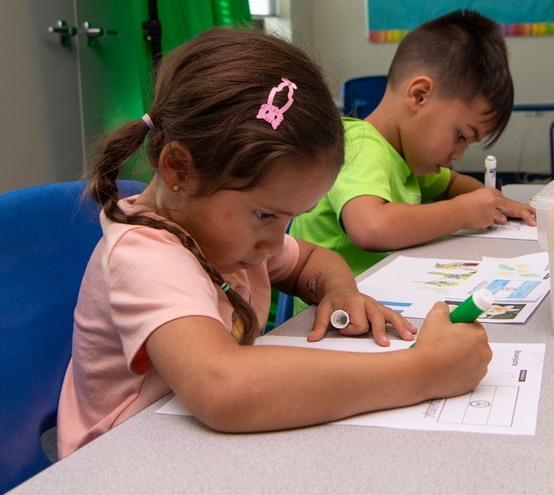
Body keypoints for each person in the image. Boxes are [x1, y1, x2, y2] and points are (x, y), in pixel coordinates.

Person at [57, 26, 492, 457]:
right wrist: (422, 371)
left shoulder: (233, 235)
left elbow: (311, 262)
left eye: (289, 219)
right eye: (267, 215)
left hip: (192, 450)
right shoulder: (146, 253)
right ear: (179, 171)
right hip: (118, 469)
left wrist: (340, 292)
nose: (275, 241)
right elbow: (222, 387)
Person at [291, 9, 537, 277]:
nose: (460, 155)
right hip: (332, 310)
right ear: (419, 96)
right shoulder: (358, 144)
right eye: (461, 136)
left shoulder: (406, 157)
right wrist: (463, 212)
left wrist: (496, 203)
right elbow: (370, 227)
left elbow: (452, 184)